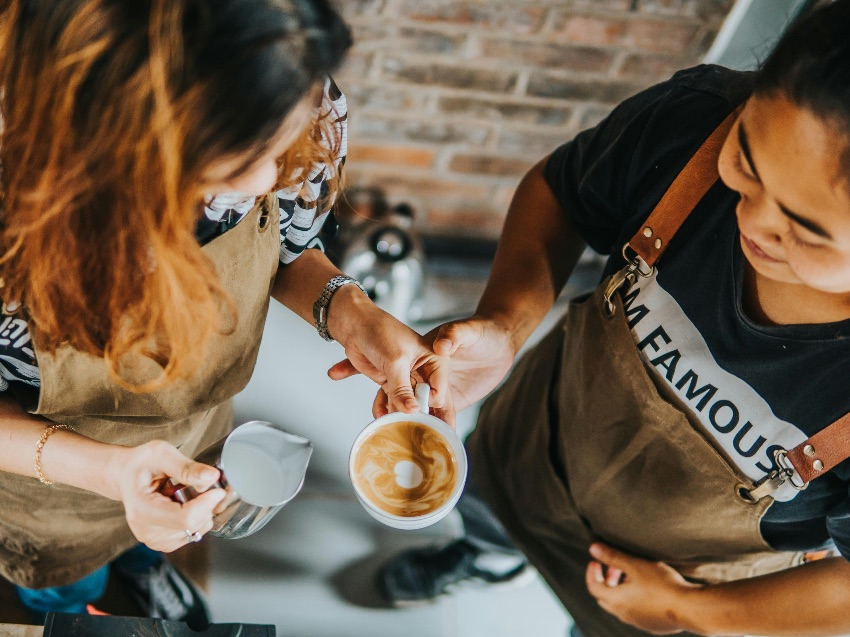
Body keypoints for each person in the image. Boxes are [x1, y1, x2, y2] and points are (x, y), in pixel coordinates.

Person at [370, 1, 850, 635]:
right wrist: (505, 323)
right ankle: (489, 556)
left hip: (674, 586)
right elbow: (561, 192)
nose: (752, 223)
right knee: (488, 500)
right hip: (536, 438)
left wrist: (687, 609)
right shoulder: (694, 123)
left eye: (807, 232)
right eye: (746, 164)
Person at [0, 0, 447, 627]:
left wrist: (347, 310)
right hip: (46, 480)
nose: (269, 177)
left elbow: (291, 246)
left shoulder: (293, 86)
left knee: (156, 536)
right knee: (65, 586)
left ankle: (142, 566)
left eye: (281, 142)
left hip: (197, 423)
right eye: (238, 154)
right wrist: (113, 471)